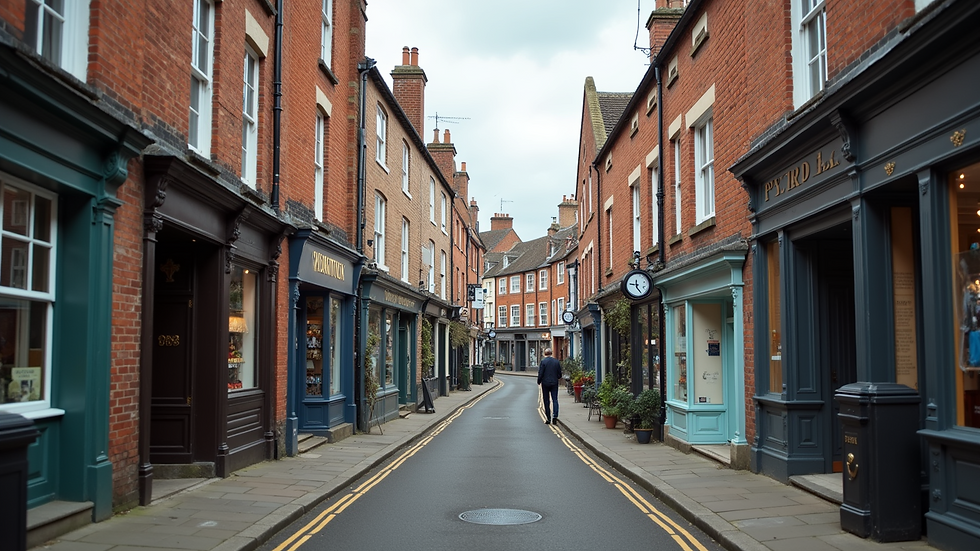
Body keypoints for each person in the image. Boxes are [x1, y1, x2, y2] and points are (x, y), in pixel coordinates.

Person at [537, 348, 562, 424]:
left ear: (545, 354)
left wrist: (539, 381)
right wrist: (556, 378)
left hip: (545, 383)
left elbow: (540, 373)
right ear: (551, 353)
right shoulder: (556, 362)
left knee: (546, 400)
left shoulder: (543, 362)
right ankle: (555, 416)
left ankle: (548, 418)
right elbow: (559, 374)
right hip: (554, 383)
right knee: (555, 399)